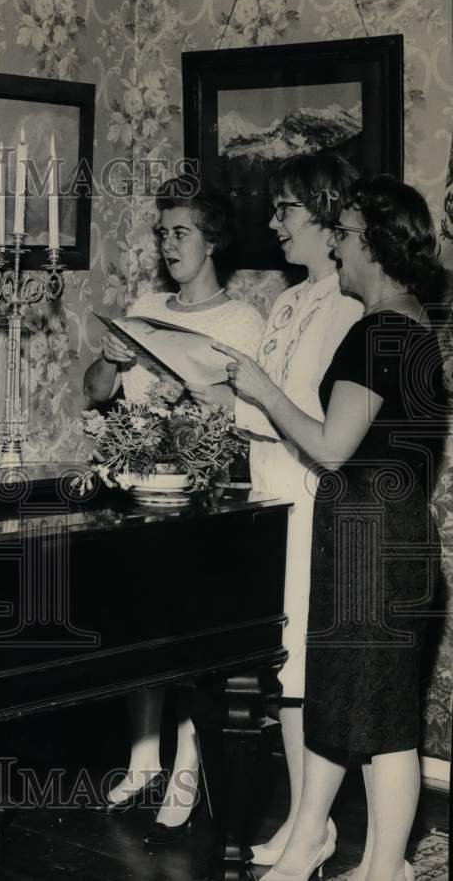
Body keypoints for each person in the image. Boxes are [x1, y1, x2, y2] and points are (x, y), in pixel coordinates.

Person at [217, 175, 447, 881]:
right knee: (382, 720)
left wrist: (262, 391)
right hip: (392, 533)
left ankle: (383, 871)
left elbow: (330, 444)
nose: (337, 248)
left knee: (383, 723)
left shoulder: (378, 330)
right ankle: (385, 867)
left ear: (373, 245)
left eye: (344, 234)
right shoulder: (414, 323)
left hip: (370, 542)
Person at [84, 178, 264, 843]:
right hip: (139, 491)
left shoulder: (240, 321)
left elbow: (247, 417)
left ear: (212, 238)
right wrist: (109, 358)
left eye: (180, 231)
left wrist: (187, 392)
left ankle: (188, 767)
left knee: (187, 641)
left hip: (202, 500)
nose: (167, 244)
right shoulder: (144, 304)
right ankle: (142, 760)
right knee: (138, 634)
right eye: (161, 232)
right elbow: (99, 394)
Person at [232, 153, 363, 867]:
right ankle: (304, 819)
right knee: (284, 670)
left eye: (287, 210)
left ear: (325, 213)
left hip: (311, 496)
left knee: (312, 670)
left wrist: (254, 395)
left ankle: (315, 827)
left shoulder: (346, 307)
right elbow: (259, 401)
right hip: (267, 490)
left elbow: (313, 414)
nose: (274, 222)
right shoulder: (287, 302)